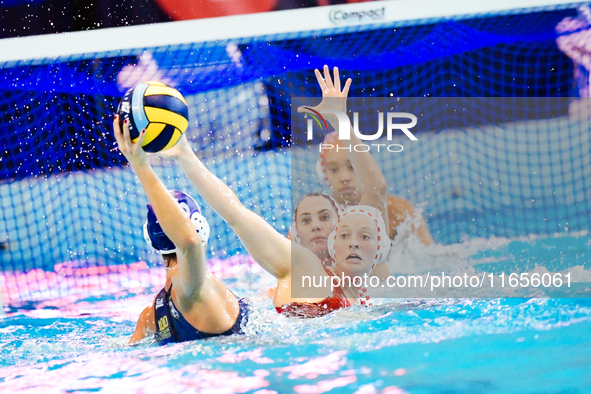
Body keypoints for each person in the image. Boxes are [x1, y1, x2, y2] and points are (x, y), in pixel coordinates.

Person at [154, 129, 391, 318]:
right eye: (306, 220)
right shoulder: (299, 266)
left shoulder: (362, 278)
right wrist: (186, 155)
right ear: (293, 237)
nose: (317, 226)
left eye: (325, 217)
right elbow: (235, 213)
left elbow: (376, 188)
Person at [113, 115, 248, 345]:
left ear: (150, 238)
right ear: (199, 227)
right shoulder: (192, 286)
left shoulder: (149, 317)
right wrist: (140, 165)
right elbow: (188, 242)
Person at [305, 67, 435, 246]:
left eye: (352, 167)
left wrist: (340, 121)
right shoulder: (317, 223)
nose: (344, 178)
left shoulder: (399, 211)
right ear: (324, 174)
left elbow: (432, 256)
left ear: (364, 167)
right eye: (334, 170)